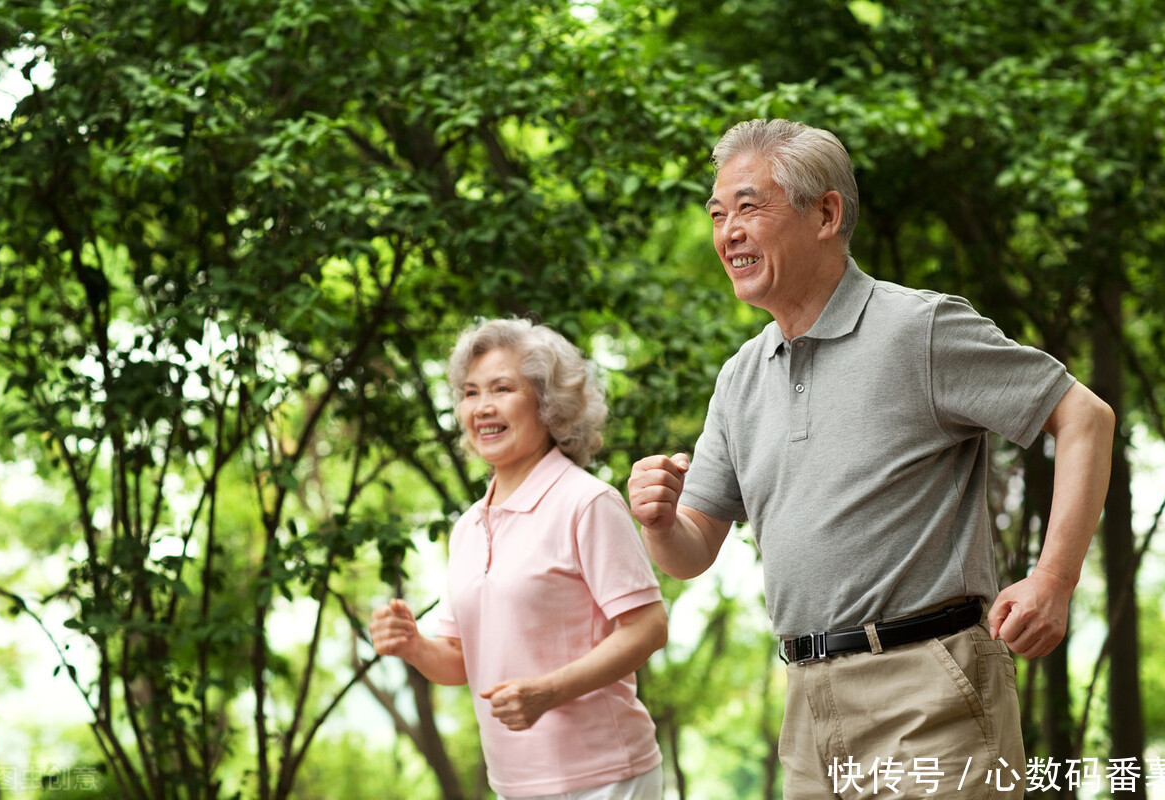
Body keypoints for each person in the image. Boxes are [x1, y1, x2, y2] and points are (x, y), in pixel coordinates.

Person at [627, 119, 1115, 799]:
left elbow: (1085, 416)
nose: (727, 232)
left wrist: (1054, 581)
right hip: (806, 704)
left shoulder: (919, 330)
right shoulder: (740, 378)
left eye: (748, 206)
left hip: (928, 690)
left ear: (826, 213)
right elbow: (689, 552)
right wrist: (655, 520)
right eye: (717, 214)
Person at [371, 318, 667, 800]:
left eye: (501, 389)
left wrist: (548, 692)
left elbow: (648, 627)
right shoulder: (468, 528)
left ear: (548, 403)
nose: (482, 407)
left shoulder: (586, 502)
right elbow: (459, 660)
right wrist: (412, 644)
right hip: (514, 783)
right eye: (470, 393)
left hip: (607, 777)